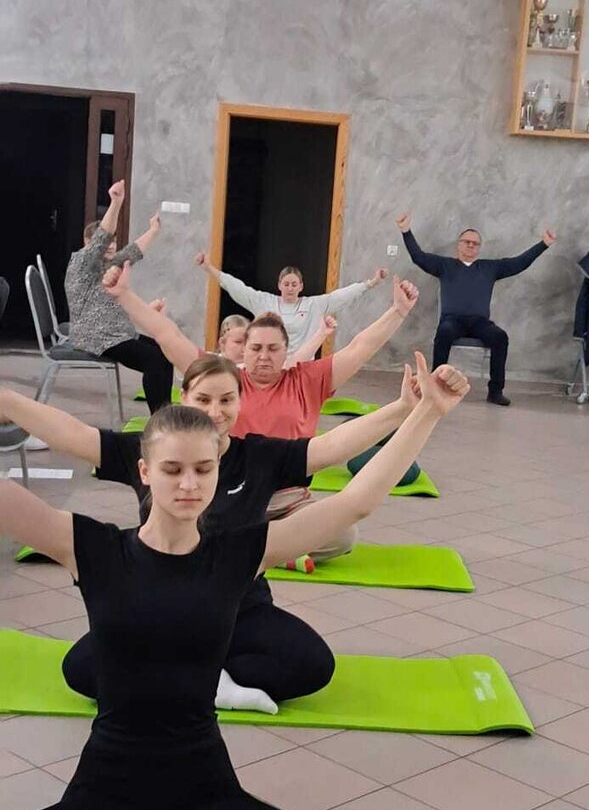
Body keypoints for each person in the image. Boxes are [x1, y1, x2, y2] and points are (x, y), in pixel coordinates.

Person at [0, 358, 468, 810]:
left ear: (218, 470)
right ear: (144, 472)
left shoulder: (236, 556)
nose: (188, 485)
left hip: (202, 791)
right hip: (104, 793)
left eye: (203, 470)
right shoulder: (90, 548)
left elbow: (353, 504)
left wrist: (426, 412)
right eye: (172, 470)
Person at [0, 359, 423, 715]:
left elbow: (335, 461)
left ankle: (203, 676)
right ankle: (205, 678)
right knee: (82, 669)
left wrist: (407, 410)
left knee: (311, 664)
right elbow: (74, 435)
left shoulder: (257, 460)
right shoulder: (150, 449)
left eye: (226, 400)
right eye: (203, 399)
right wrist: (7, 400)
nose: (216, 411)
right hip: (154, 603)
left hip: (235, 602)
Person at [105, 267, 419, 565]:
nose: (264, 356)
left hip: (286, 501)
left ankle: (247, 548)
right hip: (228, 497)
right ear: (245, 349)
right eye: (256, 348)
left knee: (343, 536)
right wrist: (124, 295)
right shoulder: (224, 381)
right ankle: (273, 553)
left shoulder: (308, 380)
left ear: (286, 350)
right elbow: (168, 335)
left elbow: (360, 348)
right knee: (195, 520)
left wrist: (398, 311)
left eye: (273, 349)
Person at [396, 214, 556, 406]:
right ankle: (436, 386)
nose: (471, 245)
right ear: (459, 245)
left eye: (475, 243)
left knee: (500, 337)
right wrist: (405, 231)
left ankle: (495, 392)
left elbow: (519, 263)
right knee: (444, 333)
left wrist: (543, 244)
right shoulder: (445, 265)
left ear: (479, 247)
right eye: (467, 242)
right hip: (452, 320)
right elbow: (418, 257)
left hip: (480, 323)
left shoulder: (490, 267)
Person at [64, 180, 174, 414]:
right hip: (98, 336)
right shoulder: (82, 263)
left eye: (114, 241)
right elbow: (101, 239)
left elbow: (132, 252)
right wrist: (116, 202)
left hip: (119, 333)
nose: (110, 245)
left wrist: (153, 231)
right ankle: (160, 420)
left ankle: (166, 414)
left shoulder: (107, 264)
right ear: (88, 243)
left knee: (166, 349)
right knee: (153, 360)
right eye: (106, 242)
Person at [196, 253, 388, 356]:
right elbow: (237, 287)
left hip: (302, 365)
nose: (290, 288)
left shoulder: (314, 305)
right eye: (286, 284)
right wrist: (209, 268)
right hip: (271, 363)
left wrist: (371, 283)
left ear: (301, 286)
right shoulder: (264, 301)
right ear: (279, 285)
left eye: (294, 284)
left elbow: (342, 296)